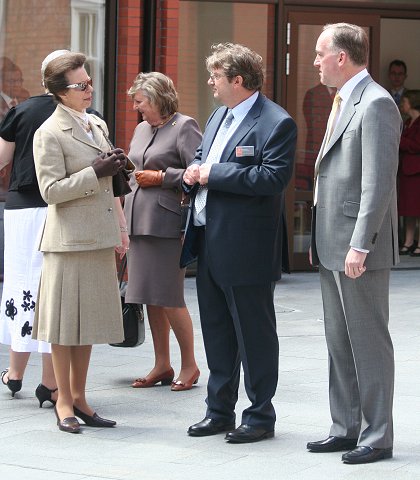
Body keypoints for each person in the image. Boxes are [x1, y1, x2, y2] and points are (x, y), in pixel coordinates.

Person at [182, 43, 297, 443]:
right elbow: (202, 156)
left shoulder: (276, 122)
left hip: (247, 247)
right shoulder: (218, 115)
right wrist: (193, 170)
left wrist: (212, 173)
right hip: (208, 241)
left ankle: (260, 416)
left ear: (238, 80)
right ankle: (219, 412)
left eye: (216, 76)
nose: (210, 82)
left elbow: (272, 179)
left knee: (254, 333)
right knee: (216, 330)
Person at [308, 23, 402, 464]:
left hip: (358, 247)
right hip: (332, 242)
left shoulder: (377, 103)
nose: (315, 62)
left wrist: (361, 244)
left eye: (319, 53)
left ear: (341, 57)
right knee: (338, 341)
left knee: (367, 340)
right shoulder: (345, 100)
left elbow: (377, 184)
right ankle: (345, 427)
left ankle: (377, 435)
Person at [32, 51, 129, 433]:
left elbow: (106, 179)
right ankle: (64, 403)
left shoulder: (96, 125)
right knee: (63, 326)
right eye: (81, 85)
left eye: (89, 82)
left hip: (99, 235)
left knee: (88, 324)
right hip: (68, 241)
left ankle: (82, 398)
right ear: (59, 91)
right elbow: (50, 191)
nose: (89, 89)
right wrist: (95, 171)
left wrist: (119, 167)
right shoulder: (49, 132)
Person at [0, 50, 70, 404]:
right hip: (61, 208)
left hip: (22, 210)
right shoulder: (84, 115)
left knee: (19, 286)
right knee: (50, 292)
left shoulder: (22, 111)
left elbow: (1, 160)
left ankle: (14, 374)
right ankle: (50, 383)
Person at [124, 72, 201, 391]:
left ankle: (190, 365)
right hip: (137, 222)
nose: (136, 109)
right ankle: (162, 364)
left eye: (140, 102)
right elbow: (131, 167)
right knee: (149, 298)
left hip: (168, 225)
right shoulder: (142, 129)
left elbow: (197, 171)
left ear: (157, 98)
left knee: (170, 297)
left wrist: (161, 177)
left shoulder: (185, 126)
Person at [397, 90, 420, 257]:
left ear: (412, 102)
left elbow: (416, 145)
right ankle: (408, 242)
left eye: (404, 102)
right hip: (406, 171)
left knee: (418, 209)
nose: (402, 105)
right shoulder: (408, 121)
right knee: (408, 209)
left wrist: (399, 140)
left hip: (417, 171)